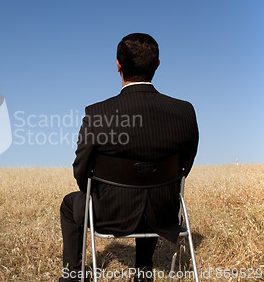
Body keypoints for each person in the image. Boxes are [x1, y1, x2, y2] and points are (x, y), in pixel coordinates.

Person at [59, 33, 199, 282]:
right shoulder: (185, 112)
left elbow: (81, 170)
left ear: (117, 65)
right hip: (163, 212)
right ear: (157, 65)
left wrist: (94, 194)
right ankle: (143, 272)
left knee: (70, 205)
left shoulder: (98, 113)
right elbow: (185, 167)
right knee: (153, 190)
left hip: (109, 213)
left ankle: (73, 275)